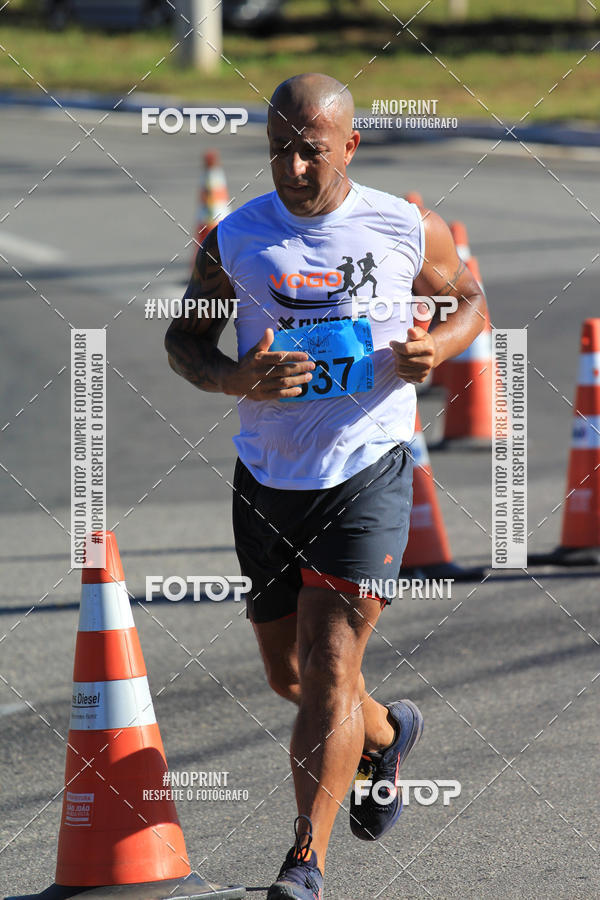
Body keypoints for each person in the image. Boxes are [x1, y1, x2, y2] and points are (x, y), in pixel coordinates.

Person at [165, 72, 486, 900]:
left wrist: (437, 348)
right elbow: (185, 343)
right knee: (293, 678)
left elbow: (471, 301)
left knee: (332, 661)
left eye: (310, 151)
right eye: (278, 150)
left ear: (350, 144)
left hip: (369, 468)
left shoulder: (406, 226)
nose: (293, 168)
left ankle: (304, 863)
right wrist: (237, 379)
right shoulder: (231, 239)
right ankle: (386, 734)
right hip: (269, 476)